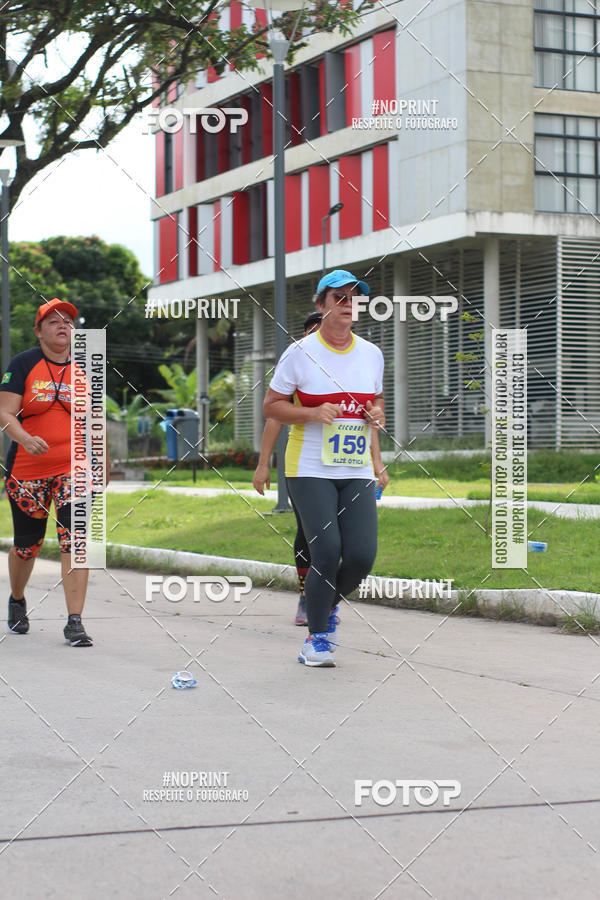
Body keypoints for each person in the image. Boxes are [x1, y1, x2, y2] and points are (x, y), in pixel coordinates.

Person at [263, 270, 386, 667]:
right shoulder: (299, 353)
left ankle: (323, 606)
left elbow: (377, 402)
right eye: (339, 296)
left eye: (354, 297)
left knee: (363, 556)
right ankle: (316, 639)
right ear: (321, 304)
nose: (348, 303)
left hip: (355, 467)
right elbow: (271, 406)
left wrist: (377, 413)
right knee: (327, 551)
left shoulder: (371, 353)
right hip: (309, 466)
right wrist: (312, 413)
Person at [0, 298, 96, 646]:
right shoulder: (23, 364)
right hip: (27, 471)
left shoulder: (85, 368)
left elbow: (92, 423)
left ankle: (75, 621)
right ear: (39, 330)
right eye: (53, 321)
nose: (62, 326)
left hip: (75, 470)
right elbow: (5, 413)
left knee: (76, 540)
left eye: (68, 321)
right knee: (29, 545)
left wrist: (102, 463)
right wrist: (25, 438)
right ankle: (17, 599)